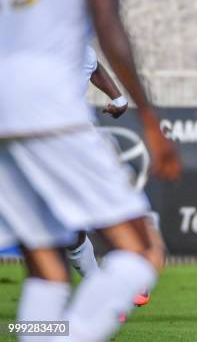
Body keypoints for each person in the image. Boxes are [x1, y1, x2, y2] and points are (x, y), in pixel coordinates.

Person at [0, 0, 180, 341]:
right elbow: (105, 14)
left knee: (45, 266)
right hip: (45, 102)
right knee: (142, 249)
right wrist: (148, 115)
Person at [66, 45, 150, 309]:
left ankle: (130, 270)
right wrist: (119, 99)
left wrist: (119, 98)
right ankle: (104, 289)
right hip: (39, 147)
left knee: (107, 208)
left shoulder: (69, 45)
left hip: (77, 143)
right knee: (68, 228)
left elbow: (94, 65)